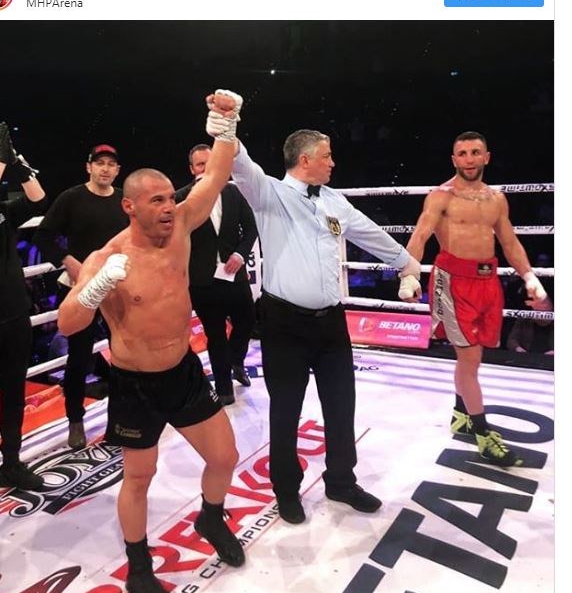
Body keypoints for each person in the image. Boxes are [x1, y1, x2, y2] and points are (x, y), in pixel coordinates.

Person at [58, 90, 245, 593]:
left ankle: (211, 517)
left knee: (225, 456)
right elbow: (68, 323)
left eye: (169, 197)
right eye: (157, 201)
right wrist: (94, 290)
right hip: (135, 384)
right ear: (130, 206)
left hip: (183, 371)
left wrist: (226, 124)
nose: (168, 207)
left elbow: (215, 176)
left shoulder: (182, 225)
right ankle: (139, 569)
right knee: (139, 477)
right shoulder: (107, 258)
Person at [205, 96, 422, 524]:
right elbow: (241, 165)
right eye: (326, 156)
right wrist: (228, 124)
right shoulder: (269, 194)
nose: (333, 163)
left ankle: (341, 481)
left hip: (331, 325)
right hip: (284, 324)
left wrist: (407, 265)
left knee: (342, 405)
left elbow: (370, 233)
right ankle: (286, 489)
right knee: (285, 410)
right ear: (305, 160)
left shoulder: (334, 201)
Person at [405, 131, 549, 466]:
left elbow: (510, 242)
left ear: (486, 157)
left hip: (487, 281)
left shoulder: (496, 199)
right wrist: (409, 275)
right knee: (469, 359)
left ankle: (461, 414)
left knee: (475, 356)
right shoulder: (441, 196)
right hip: (452, 282)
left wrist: (529, 276)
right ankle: (484, 436)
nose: (469, 159)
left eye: (475, 152)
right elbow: (421, 234)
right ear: (453, 159)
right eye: (462, 153)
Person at [0, 123, 48, 519]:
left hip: (15, 318)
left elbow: (38, 199)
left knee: (15, 396)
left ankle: (11, 463)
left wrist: (17, 164)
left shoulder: (0, 212)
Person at [35, 144, 129, 448]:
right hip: (82, 286)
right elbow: (43, 235)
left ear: (117, 170)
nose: (105, 168)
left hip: (117, 286)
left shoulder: (123, 200)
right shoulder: (71, 198)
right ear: (89, 167)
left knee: (124, 352)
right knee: (79, 355)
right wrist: (68, 261)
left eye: (110, 164)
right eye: (100, 163)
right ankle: (75, 420)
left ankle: (121, 417)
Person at [175, 143, 258, 405]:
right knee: (215, 334)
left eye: (210, 164)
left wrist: (240, 254)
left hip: (234, 275)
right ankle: (224, 389)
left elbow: (251, 227)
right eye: (200, 164)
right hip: (202, 281)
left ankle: (236, 361)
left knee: (247, 321)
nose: (205, 169)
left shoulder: (233, 193)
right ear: (192, 169)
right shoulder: (180, 199)